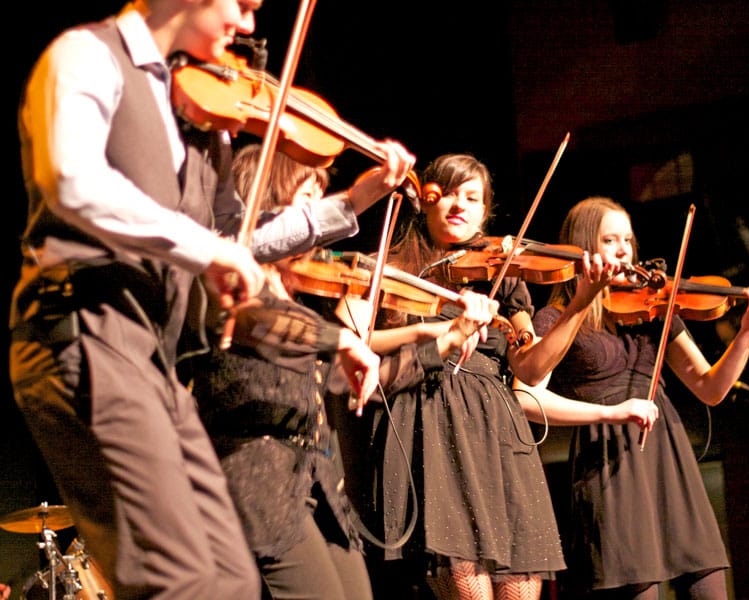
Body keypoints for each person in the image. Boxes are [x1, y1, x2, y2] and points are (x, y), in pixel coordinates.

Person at [9, 1, 414, 597]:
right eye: (243, 5)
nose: (248, 26)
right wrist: (207, 249)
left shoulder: (200, 121)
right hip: (82, 324)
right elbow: (73, 182)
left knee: (230, 580)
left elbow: (235, 240)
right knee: (176, 581)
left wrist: (352, 203)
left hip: (155, 355)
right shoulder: (87, 55)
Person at [190, 143, 496, 600]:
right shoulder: (229, 282)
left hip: (314, 482)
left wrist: (441, 342)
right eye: (306, 200)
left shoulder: (293, 296)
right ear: (267, 204)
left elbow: (352, 383)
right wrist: (343, 338)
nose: (317, 220)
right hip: (257, 481)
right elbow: (261, 320)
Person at [359, 153, 617, 600]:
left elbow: (531, 367)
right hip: (431, 424)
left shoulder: (502, 275)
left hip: (497, 431)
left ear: (485, 212)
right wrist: (437, 333)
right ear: (426, 199)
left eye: (472, 197)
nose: (459, 205)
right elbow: (359, 342)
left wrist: (579, 304)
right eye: (449, 193)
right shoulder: (389, 267)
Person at [516, 197, 749, 599]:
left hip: (667, 454)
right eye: (610, 240)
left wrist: (748, 331)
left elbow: (710, 388)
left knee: (709, 587)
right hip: (610, 465)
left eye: (628, 240)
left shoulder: (651, 308)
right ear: (584, 247)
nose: (624, 250)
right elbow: (526, 398)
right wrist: (609, 413)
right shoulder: (555, 318)